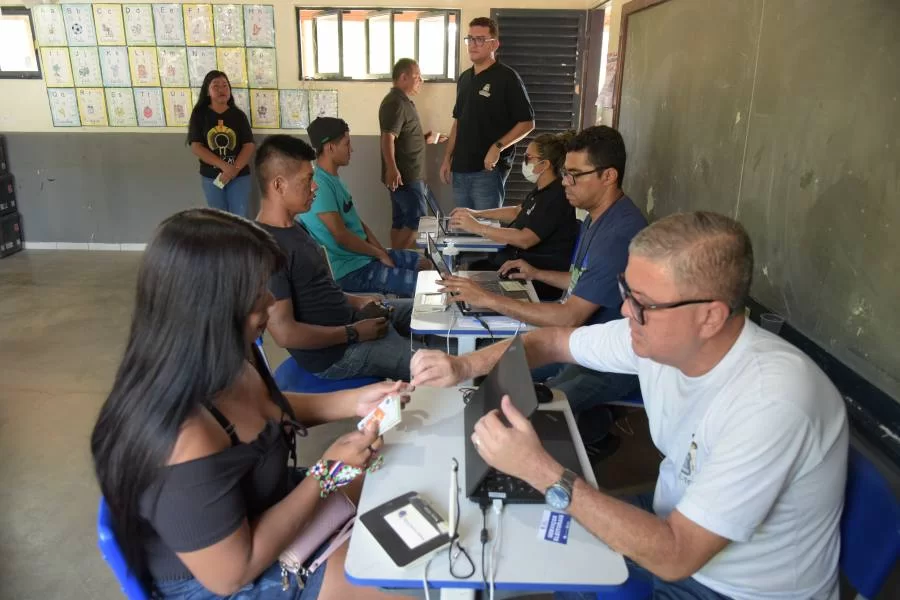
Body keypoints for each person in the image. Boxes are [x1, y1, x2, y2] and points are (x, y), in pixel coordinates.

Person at [411, 212, 849, 600]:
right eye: (627, 290)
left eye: (643, 303)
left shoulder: (772, 402)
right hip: (671, 517)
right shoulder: (659, 337)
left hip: (731, 586)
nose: (624, 309)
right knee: (546, 543)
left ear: (710, 316)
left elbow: (678, 556)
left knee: (549, 520)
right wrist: (464, 364)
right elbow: (551, 341)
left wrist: (541, 470)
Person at [91, 208, 414, 600]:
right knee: (402, 581)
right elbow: (232, 574)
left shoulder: (230, 355)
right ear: (208, 307)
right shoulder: (180, 433)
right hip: (233, 578)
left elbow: (265, 408)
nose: (271, 302)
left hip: (269, 506)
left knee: (395, 481)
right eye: (256, 293)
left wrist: (354, 401)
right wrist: (327, 473)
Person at [440, 126, 647, 456]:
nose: (565, 182)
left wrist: (488, 299)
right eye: (566, 174)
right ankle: (591, 425)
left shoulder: (619, 233)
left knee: (523, 411)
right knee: (499, 379)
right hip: (578, 343)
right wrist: (536, 273)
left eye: (575, 175)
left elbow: (571, 315)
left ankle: (591, 430)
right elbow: (582, 283)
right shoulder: (597, 218)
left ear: (608, 176)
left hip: (609, 362)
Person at [256, 135, 417, 382]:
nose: (315, 186)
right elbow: (284, 333)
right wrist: (353, 333)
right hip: (335, 355)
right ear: (279, 185)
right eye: (307, 179)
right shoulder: (267, 248)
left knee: (426, 312)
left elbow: (318, 291)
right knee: (428, 364)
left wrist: (358, 302)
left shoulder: (294, 228)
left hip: (350, 323)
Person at [299, 117, 426, 298]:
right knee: (424, 285)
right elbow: (341, 235)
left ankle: (405, 309)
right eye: (347, 144)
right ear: (330, 148)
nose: (351, 149)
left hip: (363, 257)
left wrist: (381, 251)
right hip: (349, 270)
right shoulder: (320, 184)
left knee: (423, 264)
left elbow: (357, 223)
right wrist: (378, 254)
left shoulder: (334, 180)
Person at [447, 131, 579, 300]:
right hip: (511, 265)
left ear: (544, 164)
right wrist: (477, 214)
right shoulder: (541, 191)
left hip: (531, 278)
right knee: (471, 269)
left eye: (528, 158)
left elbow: (525, 239)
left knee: (468, 277)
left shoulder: (556, 197)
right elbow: (517, 211)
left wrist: (477, 227)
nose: (523, 162)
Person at [441, 17, 535, 210]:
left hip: (487, 171)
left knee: (486, 230)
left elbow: (527, 123)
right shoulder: (465, 78)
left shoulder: (507, 77)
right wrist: (447, 159)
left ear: (495, 44)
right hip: (460, 170)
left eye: (480, 39)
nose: (473, 45)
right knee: (462, 228)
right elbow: (458, 122)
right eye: (470, 39)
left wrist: (497, 147)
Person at [379, 58, 447, 249]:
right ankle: (397, 258)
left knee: (400, 220)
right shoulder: (395, 103)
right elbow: (387, 137)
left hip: (407, 174)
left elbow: (402, 136)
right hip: (405, 176)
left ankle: (398, 257)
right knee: (417, 219)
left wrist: (424, 138)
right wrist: (392, 169)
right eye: (417, 77)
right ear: (403, 77)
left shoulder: (404, 102)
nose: (421, 81)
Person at [187, 70, 255, 217]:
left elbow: (248, 145)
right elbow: (196, 147)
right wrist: (224, 166)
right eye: (216, 86)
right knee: (219, 218)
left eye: (225, 85)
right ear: (207, 91)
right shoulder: (200, 115)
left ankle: (240, 241)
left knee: (239, 216)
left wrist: (234, 170)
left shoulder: (238, 115)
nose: (221, 90)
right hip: (212, 177)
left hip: (239, 176)